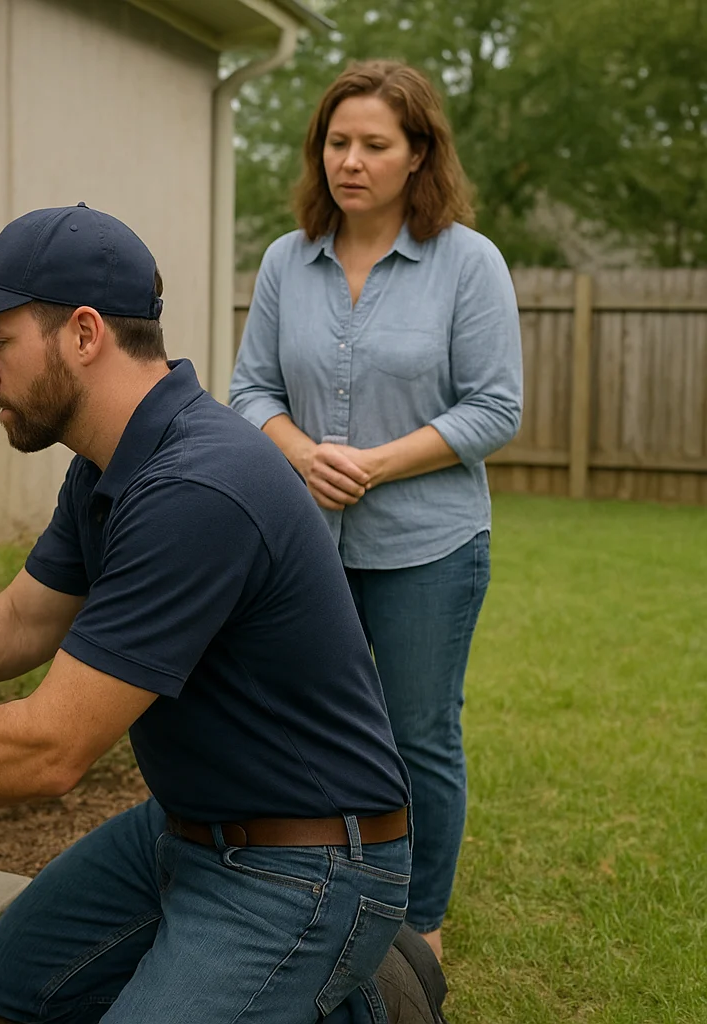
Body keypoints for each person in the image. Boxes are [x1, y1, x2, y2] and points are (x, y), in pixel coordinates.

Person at [0, 203, 423, 1022]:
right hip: (188, 829)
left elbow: (49, 749)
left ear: (82, 333)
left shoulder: (195, 489)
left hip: (309, 863)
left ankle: (376, 992)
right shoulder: (112, 464)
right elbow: (29, 619)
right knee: (19, 982)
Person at [228, 59, 524, 963]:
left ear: (418, 154)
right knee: (309, 723)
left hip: (427, 548)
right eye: (336, 141)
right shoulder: (288, 260)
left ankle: (417, 927)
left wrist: (371, 465)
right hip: (305, 549)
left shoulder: (468, 263)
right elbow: (250, 391)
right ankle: (317, 893)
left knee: (417, 736)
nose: (349, 161)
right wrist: (300, 452)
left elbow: (495, 407)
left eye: (374, 144)